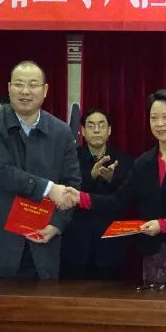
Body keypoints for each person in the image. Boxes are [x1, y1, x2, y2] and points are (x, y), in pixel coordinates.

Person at [66, 89, 166, 284]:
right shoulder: (143, 163)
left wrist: (162, 225)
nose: (159, 123)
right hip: (155, 256)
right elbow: (118, 201)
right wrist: (80, 197)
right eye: (154, 118)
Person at [0, 61, 80, 280]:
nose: (25, 91)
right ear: (9, 88)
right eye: (19, 84)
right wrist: (49, 188)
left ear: (45, 90)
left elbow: (72, 184)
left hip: (41, 245)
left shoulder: (61, 132)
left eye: (33, 85)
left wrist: (57, 225)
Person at [60, 108, 133, 281]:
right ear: (83, 131)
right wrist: (91, 177)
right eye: (91, 126)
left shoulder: (124, 161)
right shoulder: (70, 159)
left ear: (109, 130)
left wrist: (111, 179)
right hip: (76, 246)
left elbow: (128, 199)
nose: (97, 130)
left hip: (111, 246)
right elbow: (63, 194)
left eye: (101, 125)